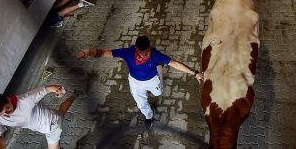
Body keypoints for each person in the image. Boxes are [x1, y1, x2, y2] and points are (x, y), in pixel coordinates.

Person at [75, 36, 203, 128]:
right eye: (143, 54)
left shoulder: (155, 54)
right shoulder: (127, 52)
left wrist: (195, 73)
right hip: (135, 82)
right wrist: (87, 52)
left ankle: (159, 67)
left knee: (158, 94)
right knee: (141, 103)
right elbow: (104, 52)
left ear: (150, 47)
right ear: (136, 48)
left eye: (148, 52)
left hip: (153, 80)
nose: (146, 56)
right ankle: (149, 116)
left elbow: (174, 63)